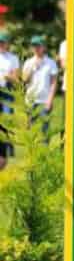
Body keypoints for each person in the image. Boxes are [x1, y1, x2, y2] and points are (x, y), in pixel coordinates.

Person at [22, 35, 57, 135]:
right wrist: (33, 68)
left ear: (44, 47)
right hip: (30, 101)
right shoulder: (28, 62)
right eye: (34, 46)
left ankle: (45, 150)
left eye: (38, 46)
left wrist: (50, 100)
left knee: (44, 131)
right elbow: (24, 80)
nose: (36, 48)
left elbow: (53, 83)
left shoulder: (51, 63)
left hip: (44, 101)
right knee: (31, 132)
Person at [0, 33, 19, 166]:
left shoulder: (13, 58)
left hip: (6, 92)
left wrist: (8, 77)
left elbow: (16, 78)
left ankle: (7, 151)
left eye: (3, 43)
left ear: (7, 44)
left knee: (7, 121)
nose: (1, 45)